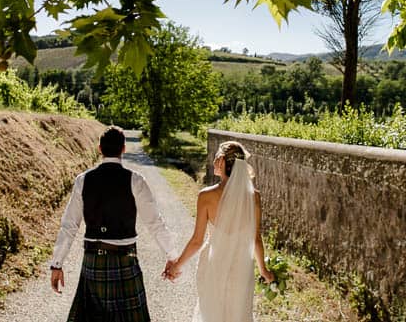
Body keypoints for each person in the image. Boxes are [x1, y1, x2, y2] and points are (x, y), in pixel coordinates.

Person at [49, 126, 176, 322]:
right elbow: (154, 222)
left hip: (93, 263)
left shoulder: (83, 180)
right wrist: (172, 256)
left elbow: (69, 226)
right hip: (125, 261)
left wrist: (57, 264)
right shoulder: (136, 180)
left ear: (99, 149)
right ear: (124, 149)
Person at [164, 141, 275, 322]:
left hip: (213, 265)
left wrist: (176, 266)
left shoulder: (206, 196)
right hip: (242, 268)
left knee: (211, 315)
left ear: (222, 161)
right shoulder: (254, 197)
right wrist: (264, 270)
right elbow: (255, 239)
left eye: (216, 157)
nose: (214, 160)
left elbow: (197, 241)